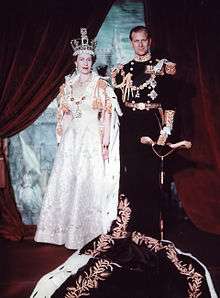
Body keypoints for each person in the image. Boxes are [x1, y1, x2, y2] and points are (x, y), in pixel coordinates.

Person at [34, 28, 122, 249]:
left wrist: (104, 143)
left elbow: (107, 115)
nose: (85, 62)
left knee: (87, 181)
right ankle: (60, 232)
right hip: (72, 140)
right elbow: (62, 114)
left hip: (91, 137)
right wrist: (62, 139)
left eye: (89, 58)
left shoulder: (100, 85)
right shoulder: (67, 85)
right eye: (81, 58)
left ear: (92, 60)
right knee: (68, 182)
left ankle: (87, 233)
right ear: (75, 61)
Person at [111, 25, 190, 239]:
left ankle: (150, 231)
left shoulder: (162, 68)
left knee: (150, 177)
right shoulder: (123, 70)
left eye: (143, 40)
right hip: (129, 126)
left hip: (152, 124)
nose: (140, 44)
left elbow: (170, 102)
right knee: (131, 176)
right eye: (136, 41)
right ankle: (131, 228)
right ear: (131, 43)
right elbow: (117, 104)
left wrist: (166, 129)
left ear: (150, 41)